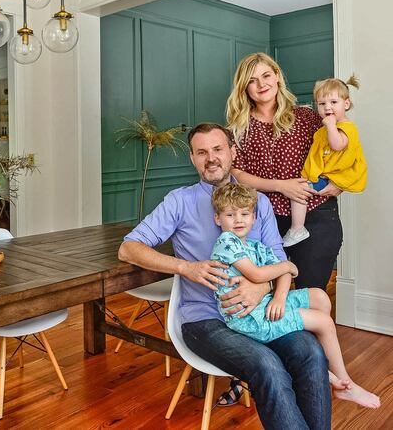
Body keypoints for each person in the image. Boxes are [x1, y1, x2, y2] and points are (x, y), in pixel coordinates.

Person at [118, 122, 334, 430]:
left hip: (261, 313)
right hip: (204, 320)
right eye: (202, 152)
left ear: (232, 152)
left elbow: (279, 261)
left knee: (311, 352)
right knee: (267, 365)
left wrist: (261, 288)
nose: (211, 158)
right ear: (193, 158)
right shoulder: (180, 201)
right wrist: (185, 267)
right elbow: (128, 249)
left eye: (218, 149)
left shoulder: (257, 202)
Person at [210, 182, 380, 408]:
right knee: (323, 322)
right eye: (230, 214)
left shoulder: (256, 246)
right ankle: (343, 383)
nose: (238, 220)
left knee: (319, 296)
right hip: (250, 318)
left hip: (266, 303)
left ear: (254, 217)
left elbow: (286, 272)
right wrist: (287, 267)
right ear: (218, 219)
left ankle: (322, 368)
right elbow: (258, 274)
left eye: (244, 213)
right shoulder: (226, 242)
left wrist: (281, 295)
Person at [226, 52, 342, 291]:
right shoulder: (239, 127)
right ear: (244, 87)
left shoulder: (306, 116)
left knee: (311, 294)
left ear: (277, 76)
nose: (261, 84)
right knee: (264, 295)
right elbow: (238, 174)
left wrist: (338, 184)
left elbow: (337, 152)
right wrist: (281, 185)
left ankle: (315, 329)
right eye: (252, 80)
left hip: (316, 215)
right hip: (264, 219)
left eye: (266, 75)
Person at [283, 76, 366, 246]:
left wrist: (330, 126)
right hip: (323, 174)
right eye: (322, 104)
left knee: (299, 192)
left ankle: (297, 229)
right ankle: (297, 228)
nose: (327, 107)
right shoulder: (327, 126)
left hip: (328, 177)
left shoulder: (345, 127)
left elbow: (337, 145)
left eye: (333, 102)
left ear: (346, 104)